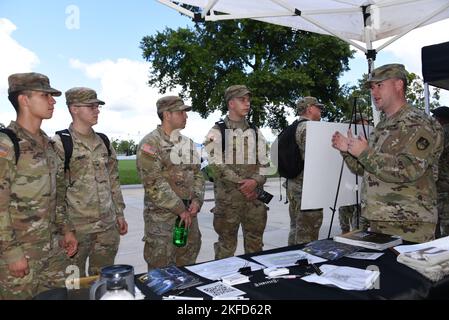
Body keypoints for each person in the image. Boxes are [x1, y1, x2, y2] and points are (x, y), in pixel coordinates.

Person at [331, 64, 444, 243]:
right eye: (371, 87)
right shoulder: (383, 126)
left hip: (409, 223)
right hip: (380, 219)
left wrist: (365, 153)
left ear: (399, 85)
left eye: (380, 85)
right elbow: (369, 171)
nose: (374, 92)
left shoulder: (417, 123)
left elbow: (409, 169)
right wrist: (348, 151)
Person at [0, 72, 78, 299]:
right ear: (24, 99)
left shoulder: (49, 145)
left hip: (52, 253)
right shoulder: (7, 144)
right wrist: (11, 252)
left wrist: (66, 229)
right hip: (19, 257)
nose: (53, 101)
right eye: (46, 95)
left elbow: (58, 196)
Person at [53, 87, 128, 277]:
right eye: (91, 106)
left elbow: (113, 180)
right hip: (77, 230)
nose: (97, 110)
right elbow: (56, 192)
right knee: (73, 284)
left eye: (97, 106)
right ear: (74, 109)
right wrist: (65, 229)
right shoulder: (61, 143)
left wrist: (119, 213)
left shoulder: (103, 140)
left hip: (107, 228)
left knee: (102, 280)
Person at [136, 96, 204, 269]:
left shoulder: (188, 143)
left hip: (189, 219)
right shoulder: (150, 144)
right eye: (181, 112)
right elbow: (153, 184)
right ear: (167, 115)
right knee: (160, 275)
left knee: (188, 269)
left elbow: (198, 174)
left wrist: (197, 200)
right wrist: (180, 209)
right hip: (162, 223)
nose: (186, 116)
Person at [204, 85, 269, 259]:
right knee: (226, 247)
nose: (247, 103)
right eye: (242, 100)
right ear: (231, 103)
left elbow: (266, 163)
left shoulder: (255, 131)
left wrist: (255, 182)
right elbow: (216, 165)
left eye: (248, 100)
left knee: (256, 246)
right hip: (228, 203)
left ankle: (255, 281)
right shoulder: (216, 132)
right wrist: (243, 184)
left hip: (254, 200)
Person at [286, 96, 325, 245]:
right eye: (318, 107)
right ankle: (305, 264)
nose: (320, 110)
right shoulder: (310, 129)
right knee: (308, 232)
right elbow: (316, 159)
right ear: (309, 108)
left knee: (295, 227)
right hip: (307, 190)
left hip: (294, 185)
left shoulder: (294, 126)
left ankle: (290, 259)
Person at [338, 113, 370, 233]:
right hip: (347, 182)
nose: (365, 126)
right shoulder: (349, 137)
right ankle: (345, 232)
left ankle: (357, 232)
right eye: (363, 123)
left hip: (360, 183)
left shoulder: (367, 139)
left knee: (359, 217)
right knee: (345, 211)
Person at [431, 106, 449, 237]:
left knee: (442, 219)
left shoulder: (442, 134)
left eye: (436, 117)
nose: (434, 119)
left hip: (443, 184)